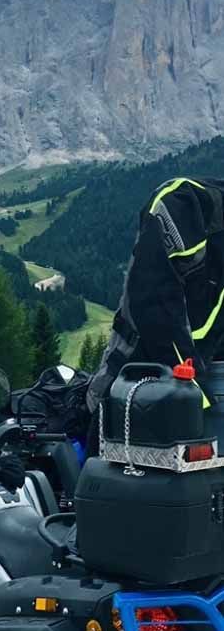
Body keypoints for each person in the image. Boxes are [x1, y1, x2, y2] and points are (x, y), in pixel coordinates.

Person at [87, 176, 224, 437]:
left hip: (206, 381)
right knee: (111, 467)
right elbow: (154, 304)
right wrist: (196, 392)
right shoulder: (186, 203)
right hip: (136, 381)